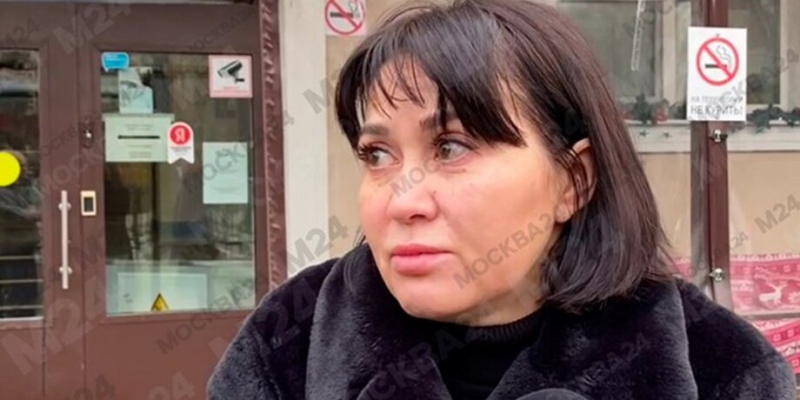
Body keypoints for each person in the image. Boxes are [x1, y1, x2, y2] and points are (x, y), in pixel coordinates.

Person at [207, 1, 796, 399]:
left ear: (574, 180)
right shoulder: (287, 344)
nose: (401, 202)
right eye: (377, 155)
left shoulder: (724, 371)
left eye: (451, 147)